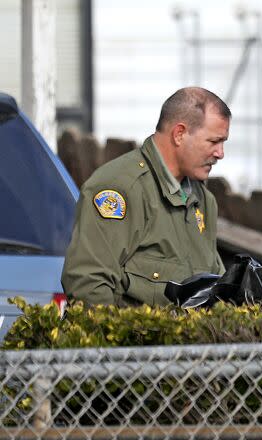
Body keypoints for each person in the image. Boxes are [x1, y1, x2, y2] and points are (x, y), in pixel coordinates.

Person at [62, 87, 229, 306]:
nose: (220, 153)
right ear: (179, 134)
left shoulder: (204, 201)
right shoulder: (121, 188)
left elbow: (218, 291)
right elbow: (88, 286)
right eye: (214, 141)